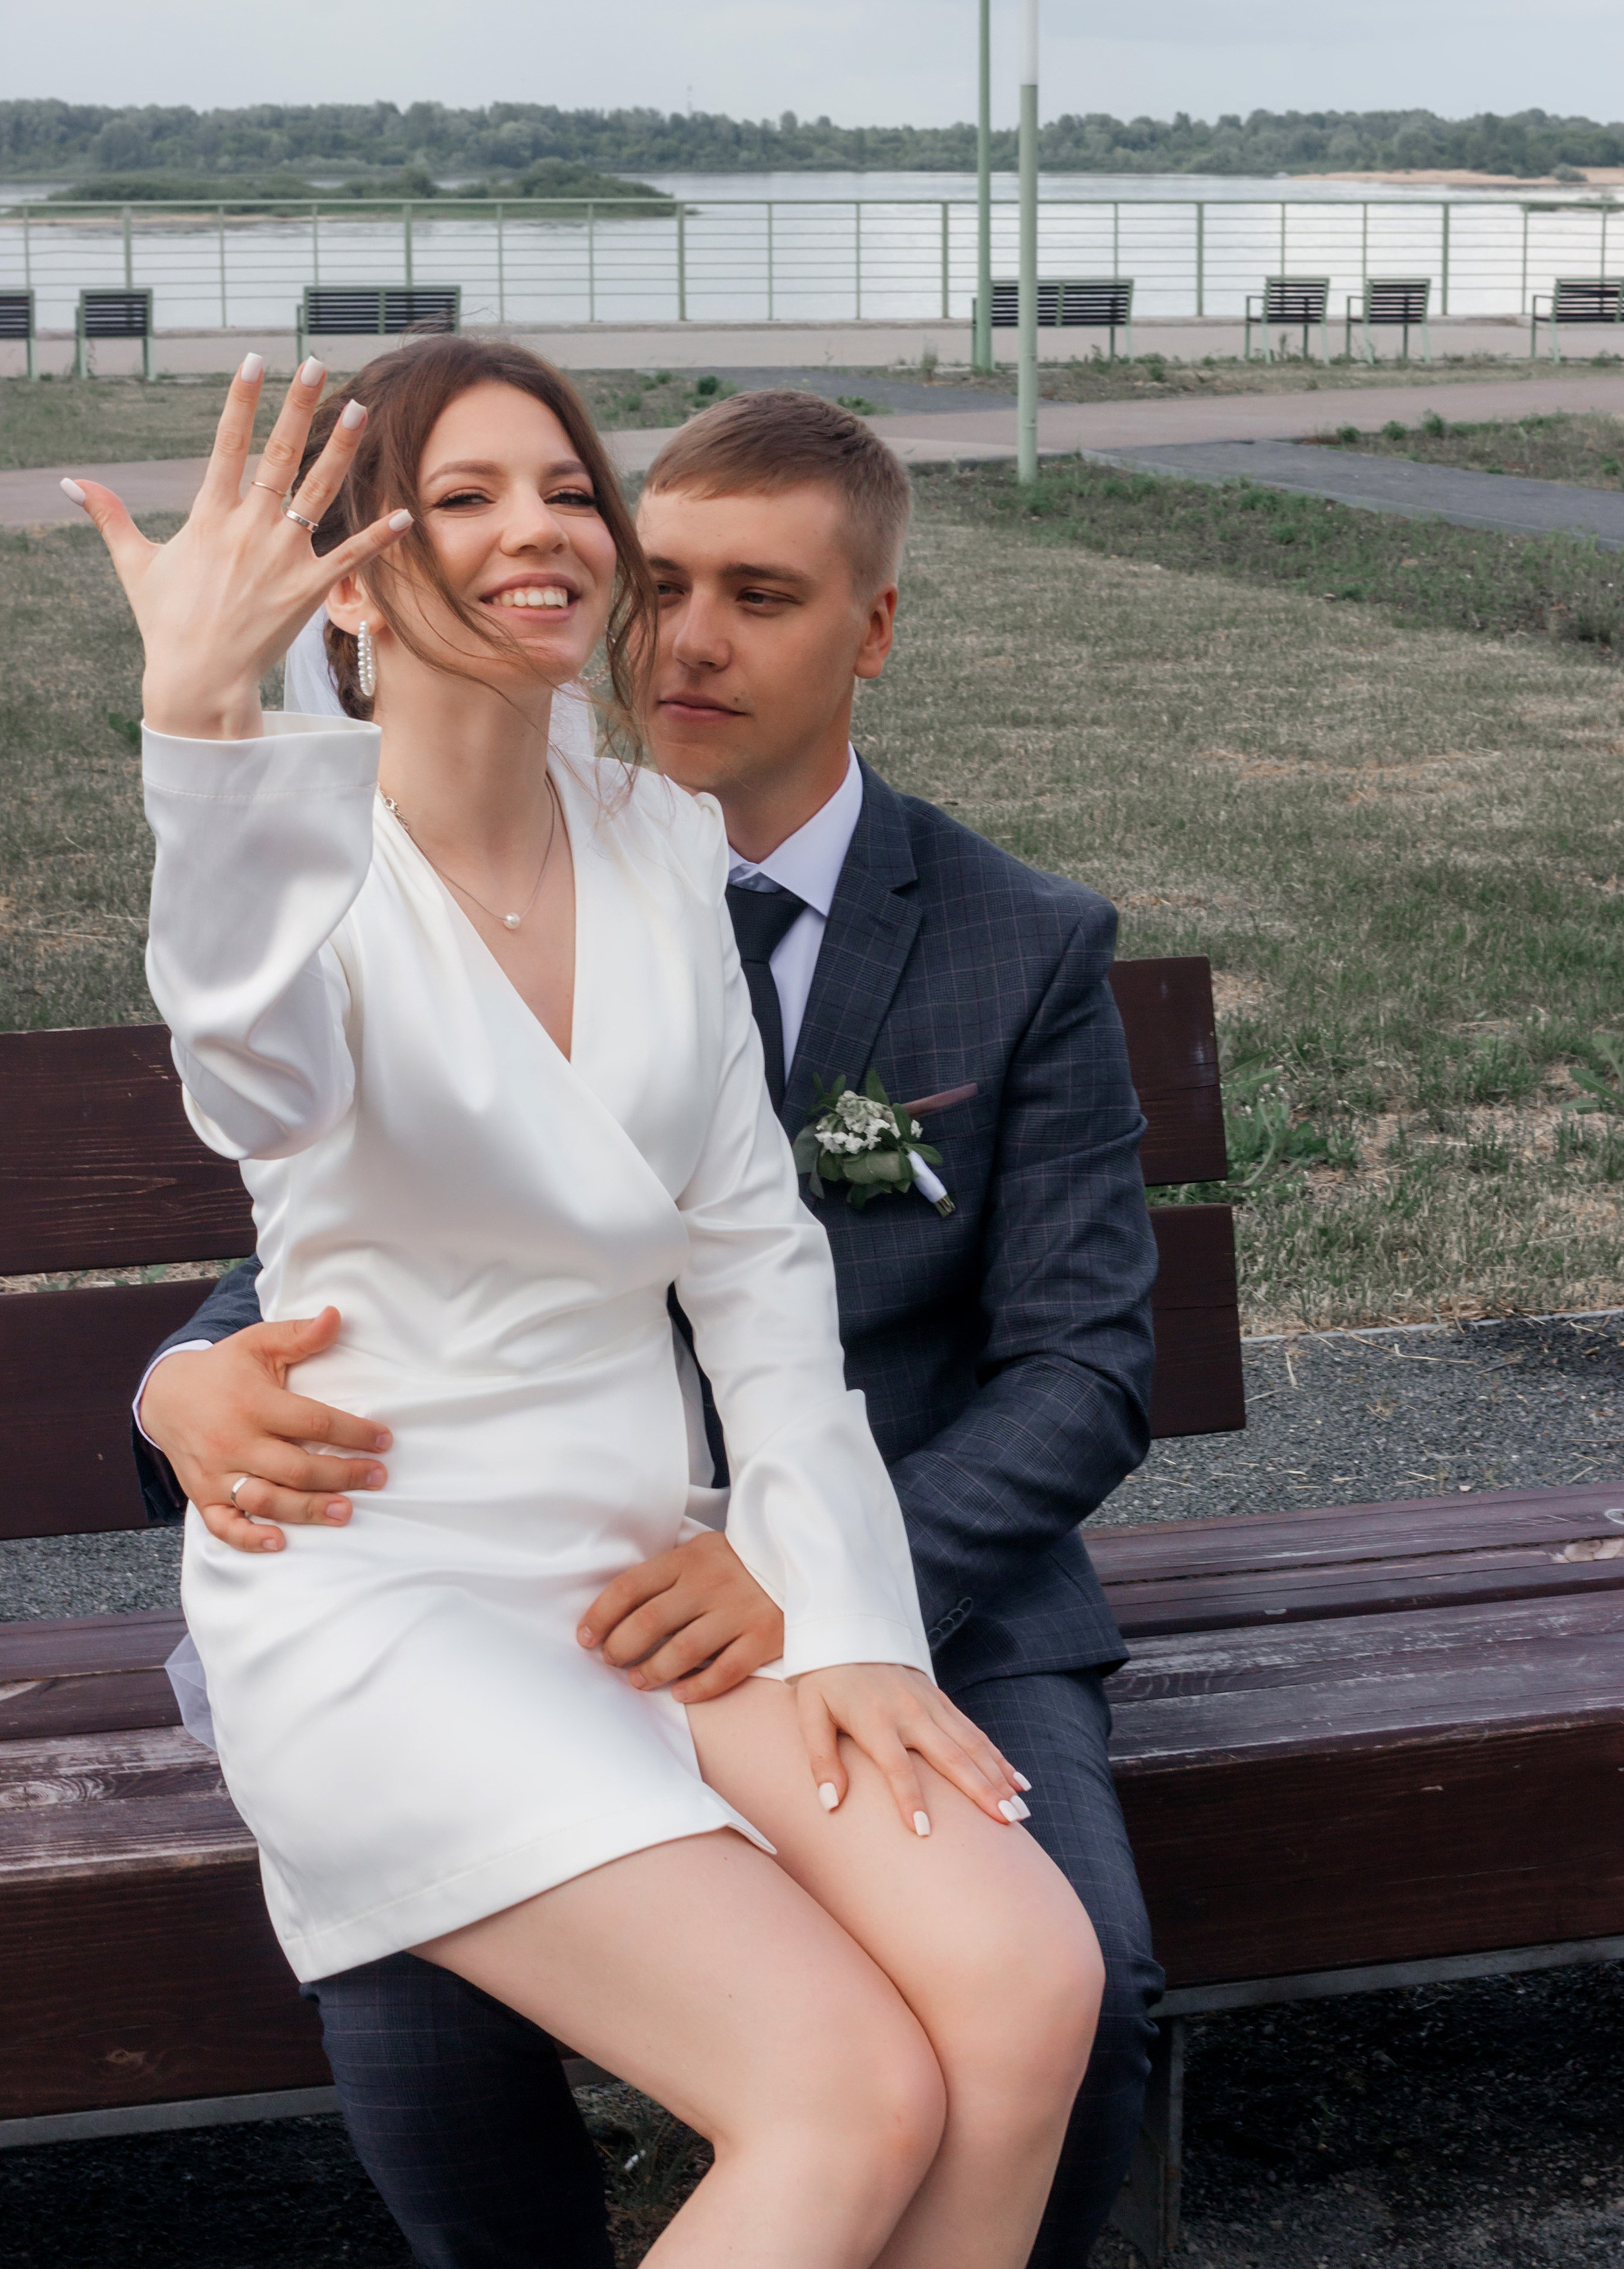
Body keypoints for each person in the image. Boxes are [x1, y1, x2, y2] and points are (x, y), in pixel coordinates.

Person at [71, 341, 1104, 2269]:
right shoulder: (298, 868)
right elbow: (253, 1082)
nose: (538, 529)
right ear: (351, 582)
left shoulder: (655, 840)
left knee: (1029, 1984)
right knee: (846, 2094)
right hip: (392, 1601)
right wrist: (201, 721)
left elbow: (760, 1258)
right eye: (462, 497)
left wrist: (847, 1616)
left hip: (643, 1566)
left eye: (565, 489)